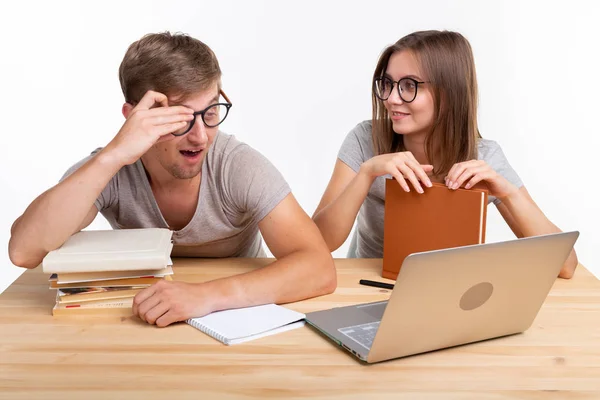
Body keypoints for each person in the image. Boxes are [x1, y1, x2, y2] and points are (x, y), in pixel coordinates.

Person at [8, 32, 336, 326]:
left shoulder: (237, 165)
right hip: (141, 318)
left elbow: (318, 268)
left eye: (210, 113)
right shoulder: (112, 167)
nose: (200, 137)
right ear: (134, 116)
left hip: (233, 317)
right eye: (178, 119)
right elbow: (24, 252)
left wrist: (205, 296)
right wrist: (113, 155)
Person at [312, 30, 578, 279]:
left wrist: (509, 194)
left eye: (408, 85)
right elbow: (318, 244)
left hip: (449, 292)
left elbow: (565, 265)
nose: (391, 98)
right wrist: (367, 173)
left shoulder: (484, 157)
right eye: (388, 84)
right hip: (371, 284)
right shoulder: (365, 140)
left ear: (449, 94)